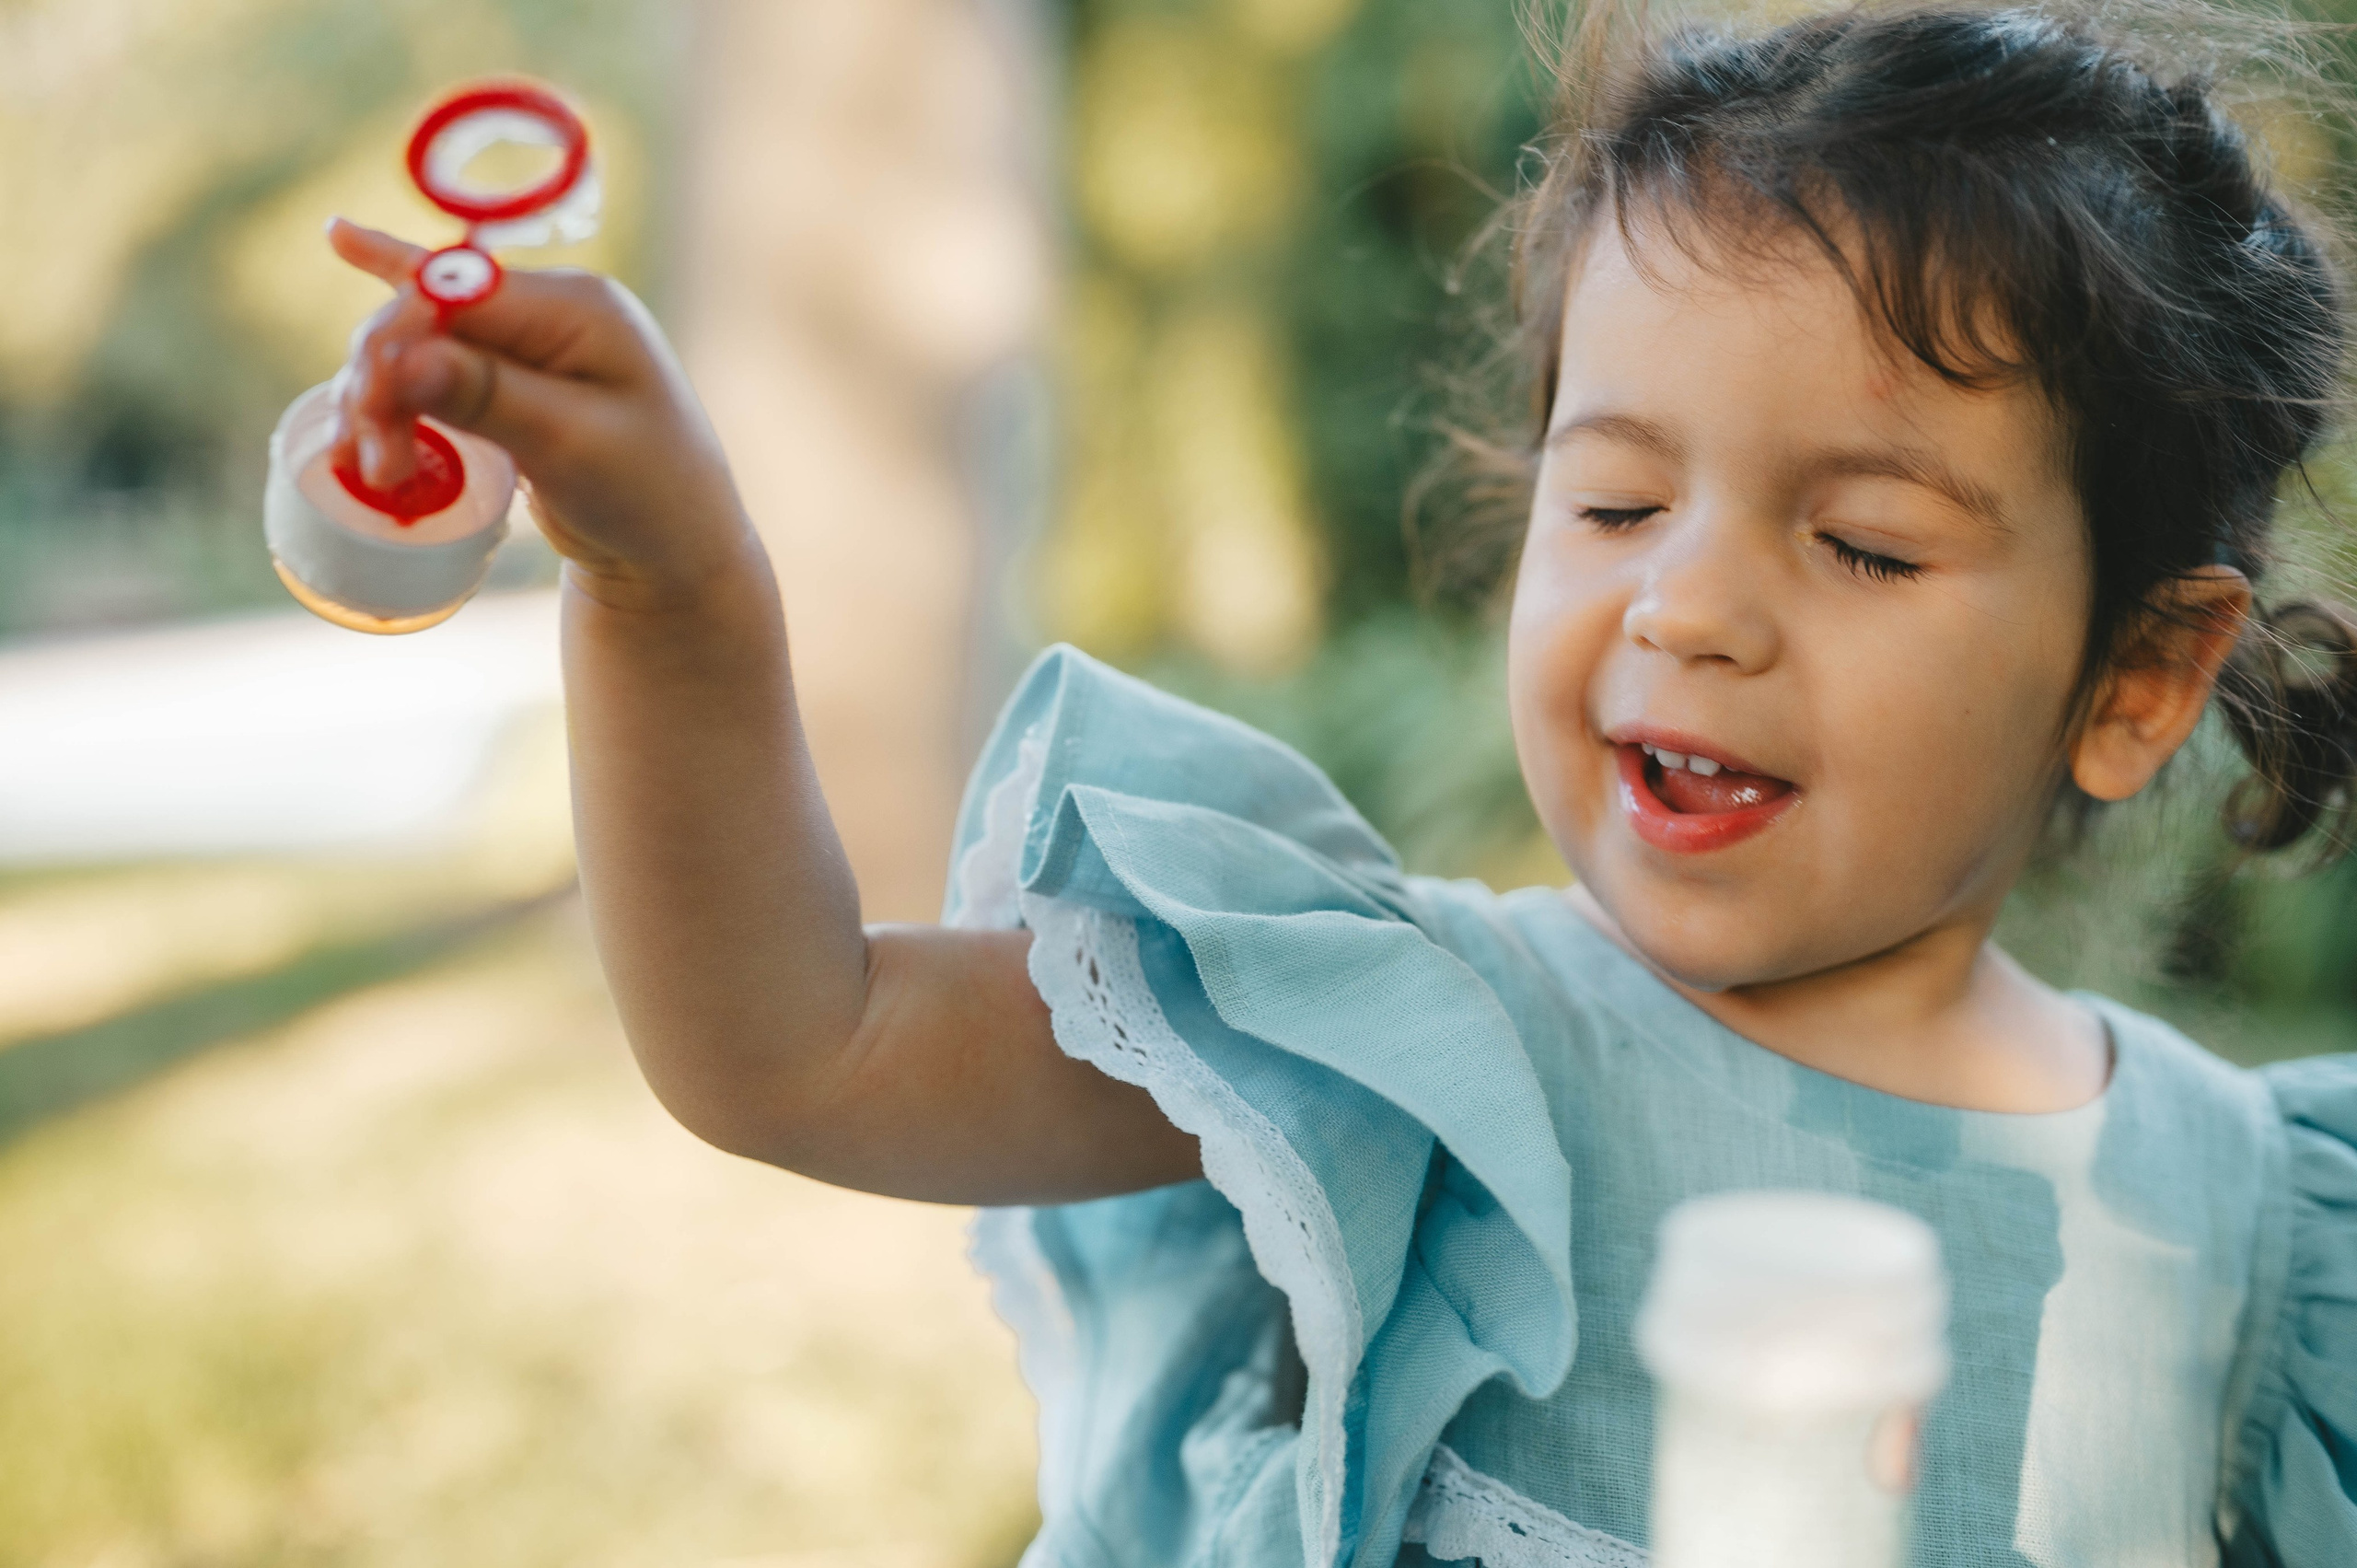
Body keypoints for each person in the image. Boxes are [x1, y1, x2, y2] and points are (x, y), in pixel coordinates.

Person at [320, 4, 2357, 1563]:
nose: (1689, 611)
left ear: (2136, 672)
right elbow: (799, 1042)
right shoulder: (1432, 1046)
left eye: (1864, 546)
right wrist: (668, 586)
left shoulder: (2250, 1228)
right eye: (1621, 496)